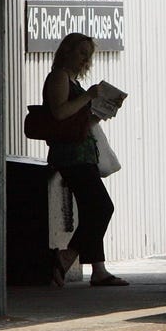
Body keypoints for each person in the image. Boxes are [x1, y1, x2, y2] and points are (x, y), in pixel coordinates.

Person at [45, 33, 128, 287]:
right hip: (71, 156)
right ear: (67, 51)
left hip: (82, 153)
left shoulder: (71, 80)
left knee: (93, 208)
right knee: (102, 207)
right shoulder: (59, 77)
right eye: (81, 53)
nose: (85, 60)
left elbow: (77, 121)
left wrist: (102, 111)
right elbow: (59, 113)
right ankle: (64, 258)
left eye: (88, 55)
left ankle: (98, 269)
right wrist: (89, 96)